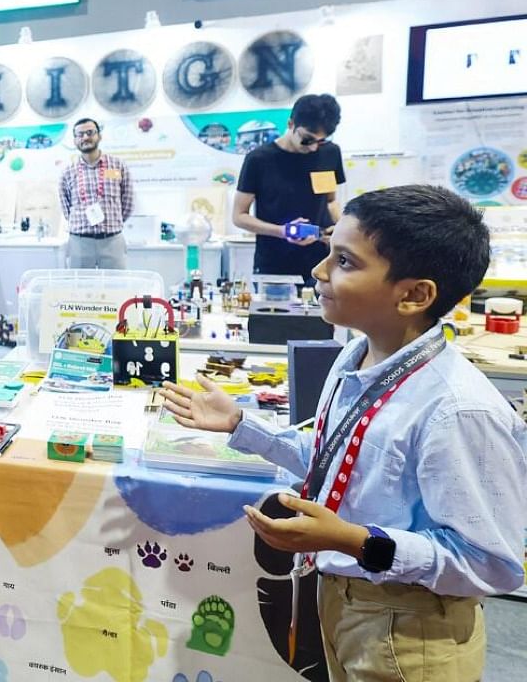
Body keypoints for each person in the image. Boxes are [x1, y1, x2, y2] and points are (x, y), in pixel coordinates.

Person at [163, 185, 527, 681]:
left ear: (415, 295)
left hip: (413, 628)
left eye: (345, 262)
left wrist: (355, 541)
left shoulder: (457, 410)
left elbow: (491, 564)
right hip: (343, 599)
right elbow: (341, 459)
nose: (318, 272)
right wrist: (242, 425)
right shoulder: (354, 357)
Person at [232, 94, 346, 286]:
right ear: (291, 123)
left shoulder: (329, 153)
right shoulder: (259, 159)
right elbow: (239, 216)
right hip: (274, 264)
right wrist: (282, 231)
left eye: (321, 141)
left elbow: (330, 201)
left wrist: (341, 230)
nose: (313, 148)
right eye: (307, 139)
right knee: (274, 316)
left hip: (321, 263)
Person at [58, 118, 134, 269]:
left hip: (112, 241)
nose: (85, 137)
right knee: (80, 289)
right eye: (80, 134)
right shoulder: (67, 172)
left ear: (99, 136)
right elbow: (66, 209)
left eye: (90, 132)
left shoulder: (118, 166)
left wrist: (113, 222)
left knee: (116, 288)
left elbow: (128, 202)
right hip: (79, 243)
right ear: (75, 141)